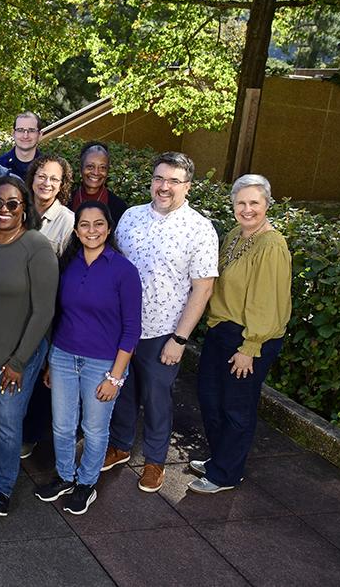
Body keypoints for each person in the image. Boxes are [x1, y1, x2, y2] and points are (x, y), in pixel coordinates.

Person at [104, 152, 219, 493]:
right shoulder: (130, 217)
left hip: (163, 333)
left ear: (187, 186)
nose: (164, 187)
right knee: (121, 390)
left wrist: (180, 339)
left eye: (173, 181)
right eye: (159, 178)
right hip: (122, 327)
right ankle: (121, 446)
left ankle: (155, 461)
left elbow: (204, 287)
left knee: (157, 398)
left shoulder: (200, 229)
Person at [34, 201, 141, 515]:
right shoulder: (68, 264)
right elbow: (59, 316)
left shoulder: (124, 270)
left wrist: (116, 376)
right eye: (84, 225)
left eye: (98, 224)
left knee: (94, 429)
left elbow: (132, 329)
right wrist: (53, 362)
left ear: (108, 228)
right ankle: (66, 476)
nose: (91, 231)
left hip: (102, 364)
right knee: (63, 426)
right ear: (76, 230)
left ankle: (86, 483)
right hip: (64, 357)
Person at [0, 176, 58, 516]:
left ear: (24, 208)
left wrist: (18, 361)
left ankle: (4, 486)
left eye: (13, 203)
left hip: (19, 356)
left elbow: (44, 311)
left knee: (7, 422)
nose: (4, 209)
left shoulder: (37, 246)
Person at [190, 174, 291, 494]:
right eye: (241, 203)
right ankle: (222, 458)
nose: (247, 209)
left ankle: (226, 474)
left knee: (236, 407)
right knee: (210, 398)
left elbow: (268, 301)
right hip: (222, 330)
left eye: (254, 203)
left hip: (249, 337)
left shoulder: (272, 244)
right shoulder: (235, 234)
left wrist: (251, 346)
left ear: (267, 204)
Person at [18, 153, 75, 458]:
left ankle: (29, 434)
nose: (47, 183)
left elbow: (66, 270)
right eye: (42, 176)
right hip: (12, 307)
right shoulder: (18, 208)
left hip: (45, 309)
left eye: (54, 178)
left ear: (62, 184)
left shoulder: (68, 221)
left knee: (41, 370)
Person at [70, 141, 128, 224]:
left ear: (107, 171)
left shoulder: (118, 207)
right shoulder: (67, 201)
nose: (96, 172)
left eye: (102, 167)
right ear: (81, 168)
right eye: (90, 166)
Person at [0, 112, 43, 179]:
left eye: (31, 130)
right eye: (20, 130)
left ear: (40, 135)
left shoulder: (49, 167)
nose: (25, 136)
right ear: (13, 133)